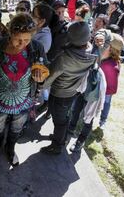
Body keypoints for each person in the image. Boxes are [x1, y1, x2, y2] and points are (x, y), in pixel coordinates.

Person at [0, 14, 47, 166]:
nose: (22, 44)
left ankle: (10, 147)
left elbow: (45, 69)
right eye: (18, 39)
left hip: (24, 99)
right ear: (10, 33)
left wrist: (41, 76)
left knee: (17, 127)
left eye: (27, 40)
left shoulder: (36, 48)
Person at [41, 22, 96, 155]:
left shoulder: (64, 58)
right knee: (64, 118)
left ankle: (57, 146)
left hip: (59, 93)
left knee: (59, 121)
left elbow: (49, 78)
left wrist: (40, 85)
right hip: (73, 92)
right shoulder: (91, 52)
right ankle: (60, 138)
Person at [69, 33, 124, 152]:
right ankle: (70, 129)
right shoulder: (98, 55)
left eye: (105, 44)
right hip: (84, 90)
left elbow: (110, 88)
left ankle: (80, 141)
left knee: (88, 119)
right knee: (75, 110)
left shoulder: (111, 66)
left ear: (111, 49)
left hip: (94, 95)